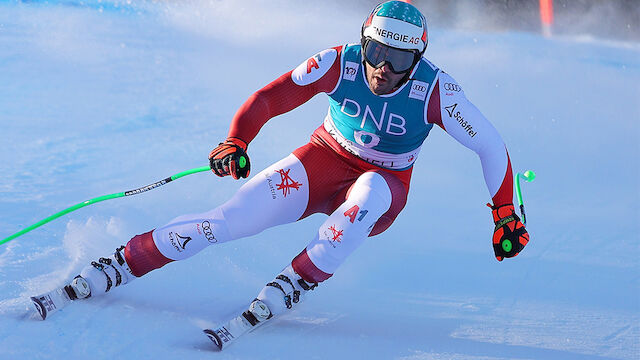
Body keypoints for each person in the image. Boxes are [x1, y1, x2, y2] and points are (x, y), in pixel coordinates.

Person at [63, 0, 529, 325]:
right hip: (322, 160)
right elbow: (269, 98)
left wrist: (505, 211)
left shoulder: (436, 90)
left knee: (366, 195)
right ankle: (125, 260)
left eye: (400, 58)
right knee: (228, 221)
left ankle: (297, 279)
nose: (383, 67)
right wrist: (236, 141)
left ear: (419, 58)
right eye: (377, 52)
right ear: (363, 43)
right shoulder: (338, 61)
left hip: (385, 183)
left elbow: (491, 145)